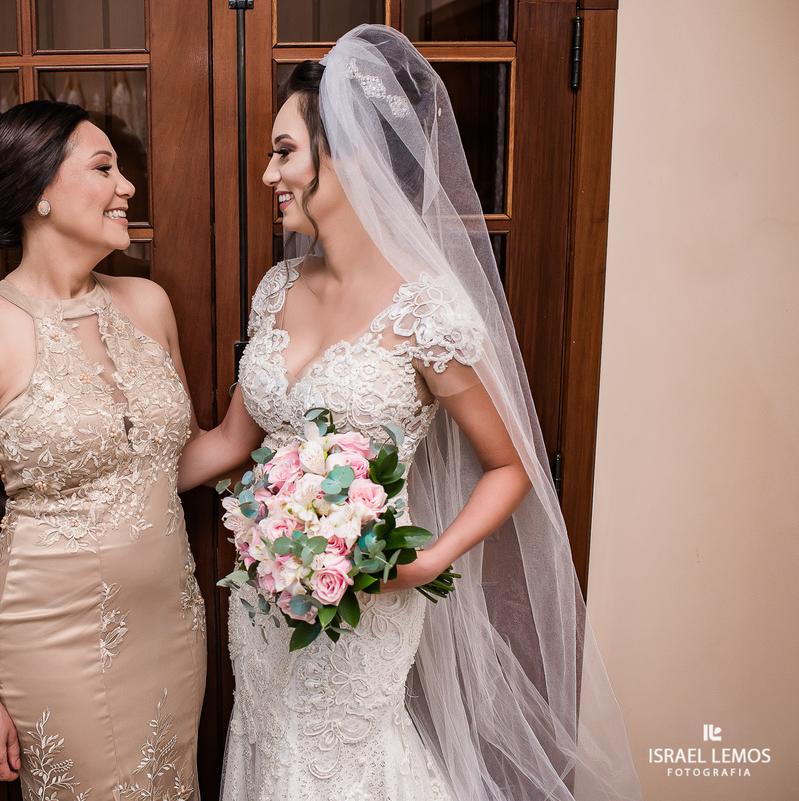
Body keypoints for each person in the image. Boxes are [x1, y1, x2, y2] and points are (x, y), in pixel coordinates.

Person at [178, 25, 641, 801]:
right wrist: (119, 477)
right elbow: (231, 438)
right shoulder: (277, 290)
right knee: (269, 747)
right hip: (264, 603)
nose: (268, 174)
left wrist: (430, 560)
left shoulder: (425, 310)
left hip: (367, 595)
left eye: (285, 152)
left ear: (353, 155)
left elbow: (509, 464)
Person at [0, 100, 206, 798]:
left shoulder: (149, 303)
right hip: (55, 638)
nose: (126, 187)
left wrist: (282, 391)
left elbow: (178, 461)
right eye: (104, 168)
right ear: (38, 190)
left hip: (170, 627)